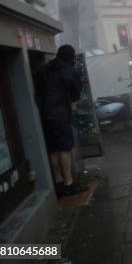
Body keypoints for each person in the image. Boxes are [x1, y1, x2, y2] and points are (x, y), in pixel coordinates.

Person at [34, 44, 87, 196]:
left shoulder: (43, 69)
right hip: (60, 114)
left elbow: (38, 91)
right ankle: (69, 183)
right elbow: (76, 95)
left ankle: (58, 183)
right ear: (71, 57)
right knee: (64, 148)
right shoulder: (69, 71)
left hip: (45, 115)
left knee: (54, 149)